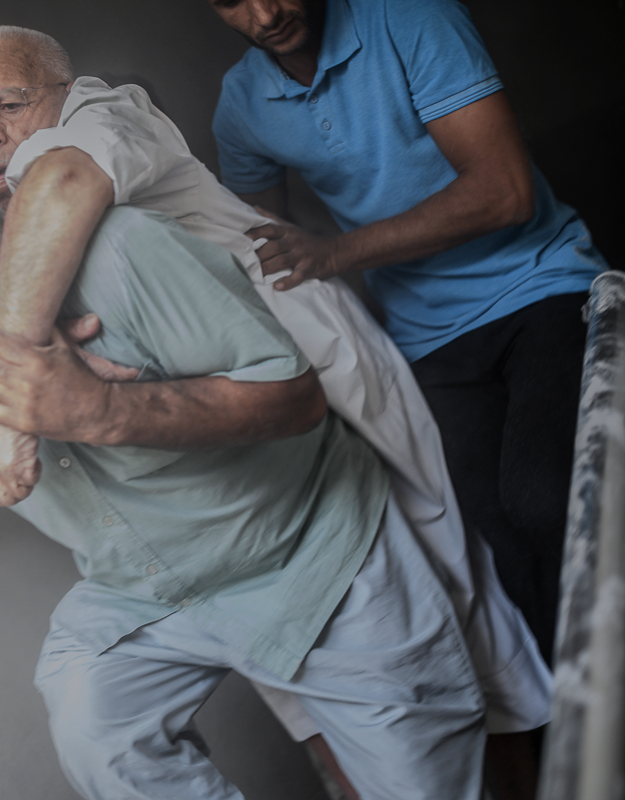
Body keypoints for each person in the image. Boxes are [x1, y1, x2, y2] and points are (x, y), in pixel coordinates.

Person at [0, 25, 550, 794]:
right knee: (300, 692)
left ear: (67, 93)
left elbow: (63, 184)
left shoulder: (107, 120)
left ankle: (533, 762)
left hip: (316, 366)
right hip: (229, 482)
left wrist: (12, 407)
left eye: (9, 103)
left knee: (446, 599)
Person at [208, 0, 608, 667]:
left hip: (540, 285)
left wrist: (335, 253)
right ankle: (587, 731)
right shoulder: (242, 103)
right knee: (495, 545)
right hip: (426, 341)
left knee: (543, 500)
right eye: (233, 1)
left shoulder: (409, 17)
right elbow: (261, 253)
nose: (265, 11)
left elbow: (506, 191)